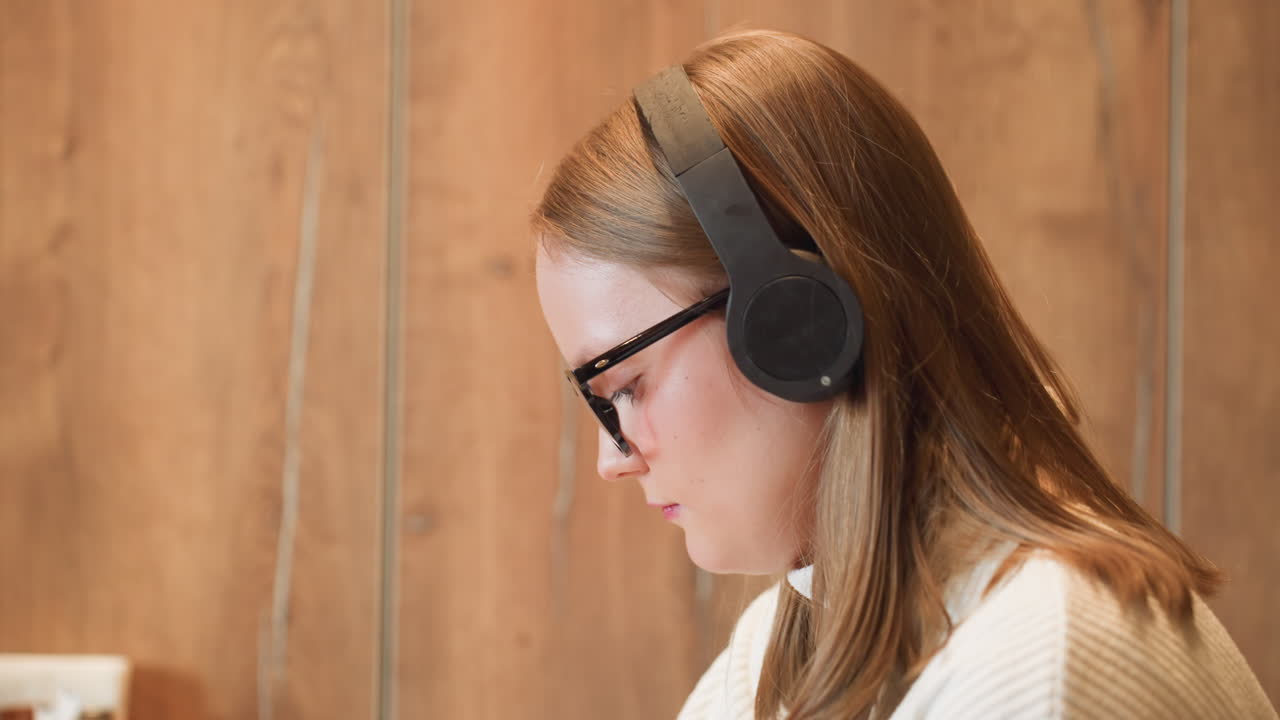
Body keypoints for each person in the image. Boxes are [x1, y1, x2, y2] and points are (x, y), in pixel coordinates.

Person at [531, 28, 1277, 720]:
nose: (612, 460)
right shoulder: (771, 658)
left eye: (624, 387)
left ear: (797, 324)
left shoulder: (1029, 664)